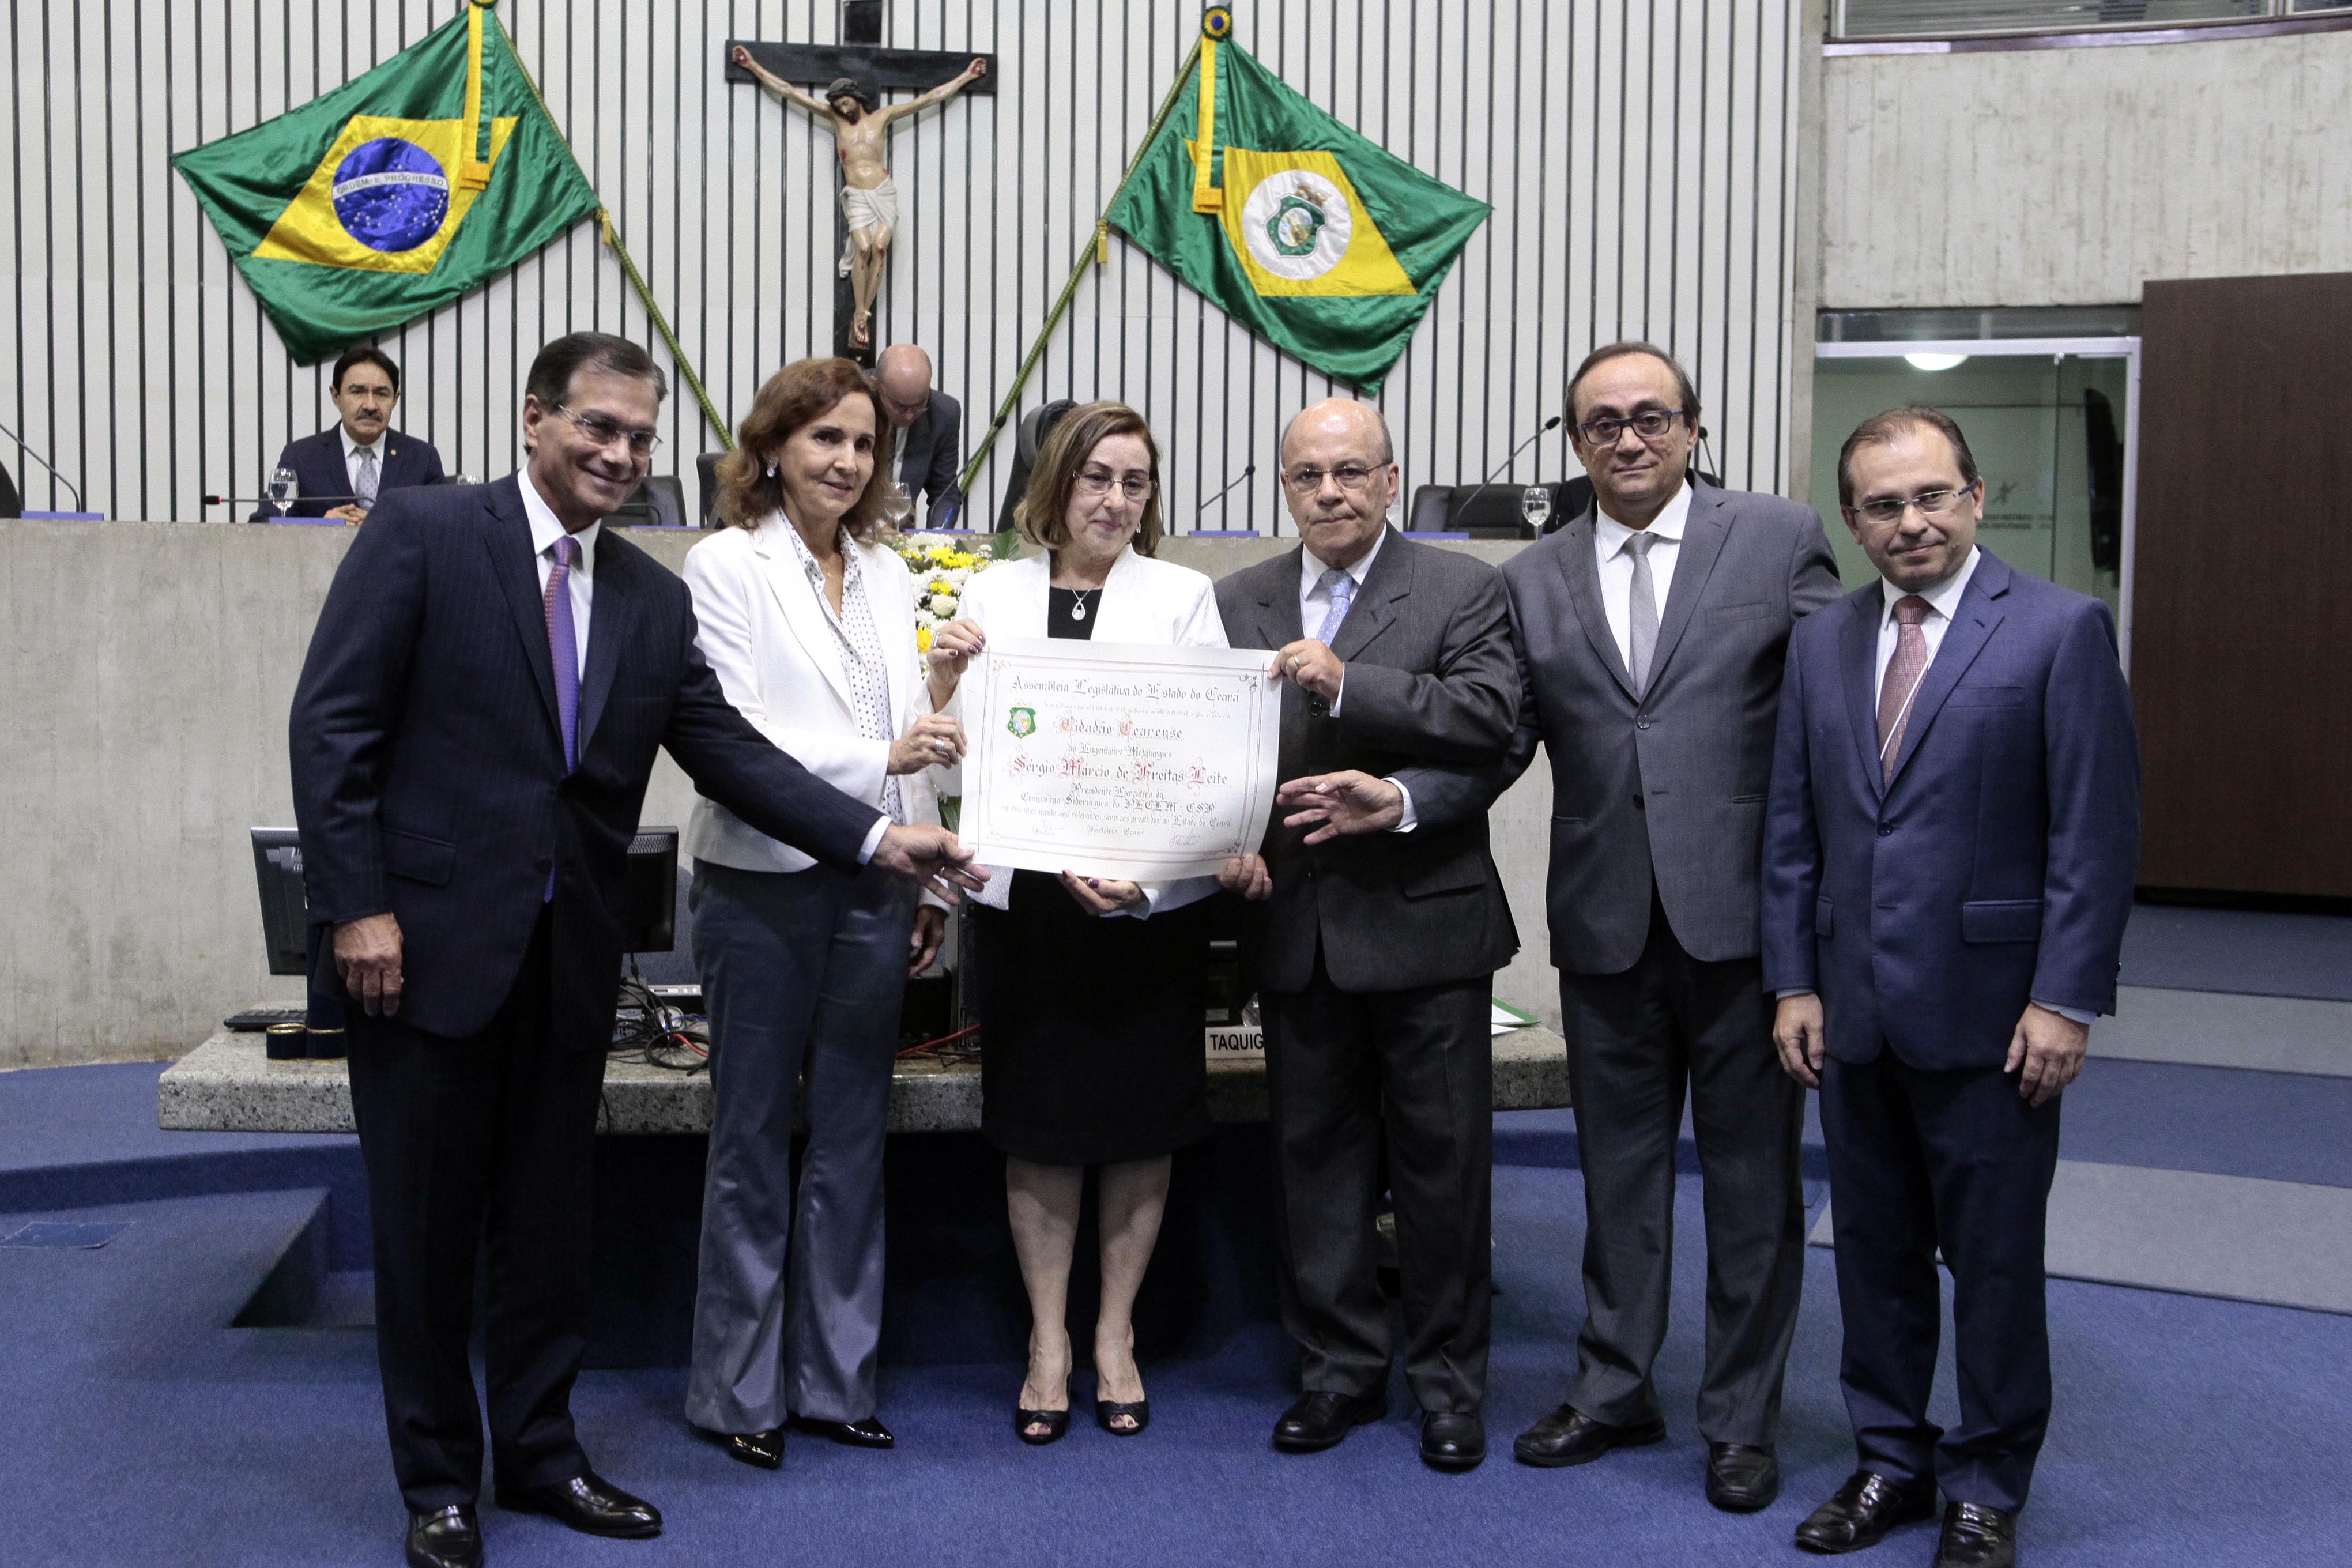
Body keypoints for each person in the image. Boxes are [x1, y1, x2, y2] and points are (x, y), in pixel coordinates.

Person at [288, 331, 982, 1568]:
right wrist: (357, 908)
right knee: (427, 1234)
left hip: (570, 962)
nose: (619, 453)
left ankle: (542, 1454)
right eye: (597, 426)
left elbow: (733, 758)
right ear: (534, 418)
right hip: (422, 952)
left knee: (550, 1231)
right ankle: (439, 1483)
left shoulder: (652, 601)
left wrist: (882, 837)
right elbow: (332, 724)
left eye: (641, 437)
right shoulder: (426, 533)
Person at [1458, 342, 1841, 1510]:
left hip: (1745, 926)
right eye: (1603, 424)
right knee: (1615, 1176)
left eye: (1650, 417)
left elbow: (1833, 721)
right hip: (1605, 923)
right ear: (1576, 443)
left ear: (1692, 427)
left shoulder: (1777, 539)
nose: (1628, 439)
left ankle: (1740, 1419)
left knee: (1751, 1187)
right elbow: (1498, 737)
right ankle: (1615, 1386)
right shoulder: (1533, 576)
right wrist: (1399, 791)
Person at [1765, 408, 2138, 1568]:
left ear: (1974, 496)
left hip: (1997, 1017)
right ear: (1853, 519)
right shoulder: (1822, 642)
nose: (1911, 522)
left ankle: (1987, 1482)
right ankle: (1890, 1458)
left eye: (1931, 495)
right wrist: (1794, 982)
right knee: (1874, 1255)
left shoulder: (2061, 630)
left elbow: (2094, 835)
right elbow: (1793, 830)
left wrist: (2066, 999)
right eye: (1883, 504)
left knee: (1994, 1265)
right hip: (1852, 1012)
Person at [1211, 397, 1520, 1473]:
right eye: (1308, 475)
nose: (1330, 492)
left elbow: (1491, 720)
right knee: (1314, 1165)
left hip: (1426, 920)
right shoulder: (1234, 599)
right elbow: (1210, 752)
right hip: (1295, 929)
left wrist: (1352, 690)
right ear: (1285, 488)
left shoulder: (1463, 588)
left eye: (1351, 472)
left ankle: (1448, 1385)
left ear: (1391, 481)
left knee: (1443, 1170)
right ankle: (1337, 1371)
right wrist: (1220, 842)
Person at [678, 357, 967, 1472]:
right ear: (771, 449)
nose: (847, 461)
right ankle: (736, 1392)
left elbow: (912, 733)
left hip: (879, 881)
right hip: (761, 879)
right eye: (824, 439)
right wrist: (883, 760)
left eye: (862, 443)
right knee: (752, 1142)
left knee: (852, 1140)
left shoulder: (888, 572)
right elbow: (735, 737)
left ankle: (835, 1382)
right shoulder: (725, 564)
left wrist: (924, 873)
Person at [924, 401, 1229, 1445]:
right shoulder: (990, 594)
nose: (1115, 499)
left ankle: (1115, 1336)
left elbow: (1206, 761)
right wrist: (941, 683)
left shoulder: (1183, 597)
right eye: (1097, 477)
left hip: (1143, 911)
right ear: (1055, 484)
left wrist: (1146, 883)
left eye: (1135, 482)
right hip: (1031, 910)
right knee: (1040, 1128)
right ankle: (1048, 1341)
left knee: (1142, 1126)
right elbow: (954, 757)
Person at [729, 50, 987, 349]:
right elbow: (789, 91)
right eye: (837, 105)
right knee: (863, 248)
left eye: (845, 102)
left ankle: (863, 314)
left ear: (855, 97)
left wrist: (967, 76)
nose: (842, 108)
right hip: (857, 195)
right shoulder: (835, 120)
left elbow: (929, 99)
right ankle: (860, 312)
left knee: (880, 247)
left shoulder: (883, 117)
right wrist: (753, 65)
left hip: (883, 191)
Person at [256, 345, 445, 522]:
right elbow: (263, 524)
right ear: (336, 396)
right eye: (357, 392)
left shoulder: (422, 459)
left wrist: (381, 525)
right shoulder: (301, 457)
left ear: (395, 399)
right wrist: (322, 526)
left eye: (381, 394)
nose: (370, 406)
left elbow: (445, 526)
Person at [876, 344, 963, 526]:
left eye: (919, 405)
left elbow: (945, 493)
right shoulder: (852, 400)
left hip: (903, 530)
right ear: (878, 387)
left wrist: (938, 536)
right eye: (899, 406)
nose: (909, 415)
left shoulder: (944, 413)